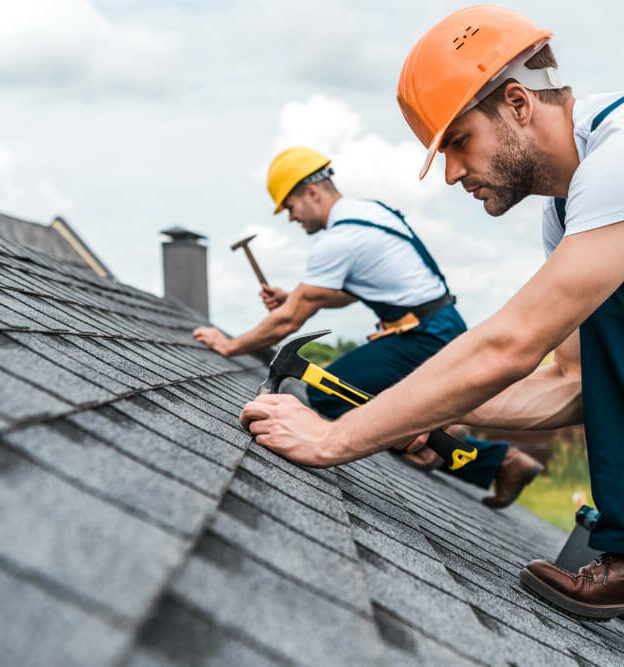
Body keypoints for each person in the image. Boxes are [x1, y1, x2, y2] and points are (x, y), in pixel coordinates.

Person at [240, 5, 624, 622]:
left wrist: (335, 436)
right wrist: (409, 414)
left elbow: (511, 346)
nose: (452, 173)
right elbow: (574, 382)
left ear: (517, 103)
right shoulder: (572, 216)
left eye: (458, 142)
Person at [194, 145, 544, 507]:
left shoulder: (340, 238)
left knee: (323, 394)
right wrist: (294, 298)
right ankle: (485, 455)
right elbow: (343, 294)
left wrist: (229, 344)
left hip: (422, 336)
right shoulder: (369, 214)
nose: (291, 218)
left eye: (290, 207)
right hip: (435, 327)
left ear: (311, 192)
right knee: (379, 403)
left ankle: (473, 452)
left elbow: (290, 320)